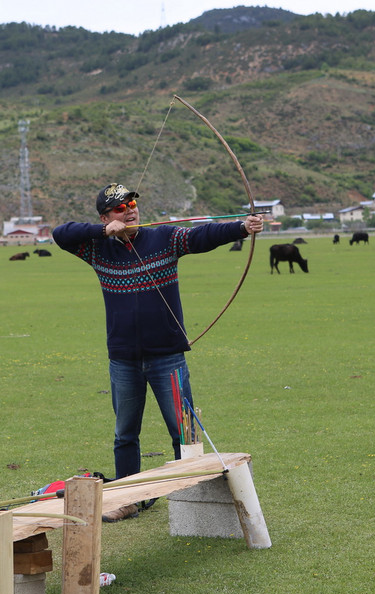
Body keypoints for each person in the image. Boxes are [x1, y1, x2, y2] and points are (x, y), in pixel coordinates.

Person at [52, 182, 262, 488]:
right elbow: (61, 234)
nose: (130, 211)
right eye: (120, 209)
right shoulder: (96, 248)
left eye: (133, 204)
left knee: (184, 431)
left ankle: (188, 495)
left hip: (168, 357)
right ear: (105, 217)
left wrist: (242, 227)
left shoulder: (165, 238)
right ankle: (127, 497)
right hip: (123, 359)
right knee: (125, 434)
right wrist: (103, 232)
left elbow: (201, 235)